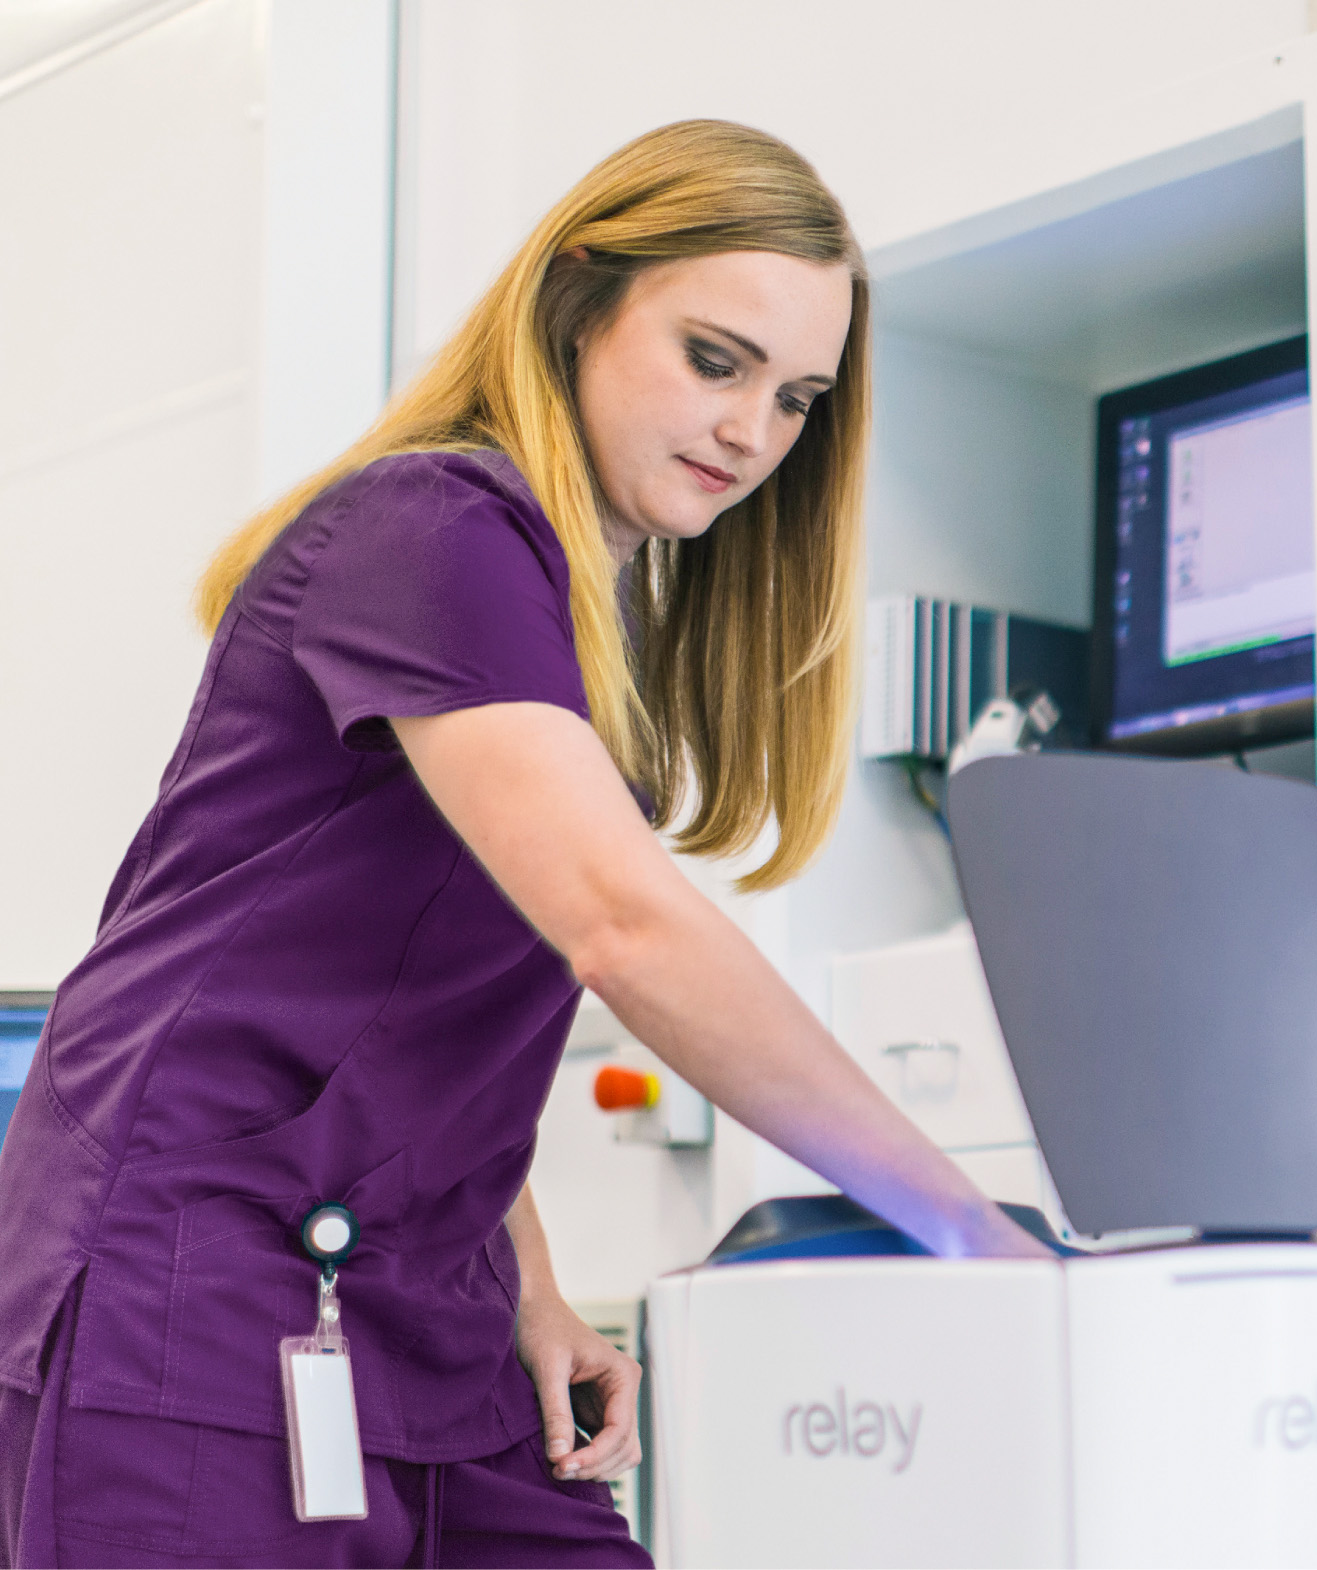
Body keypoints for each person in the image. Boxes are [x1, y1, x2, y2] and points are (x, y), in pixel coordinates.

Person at [0, 119, 1047, 1570]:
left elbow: (425, 1010)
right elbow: (624, 926)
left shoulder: (573, 609)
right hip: (194, 1298)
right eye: (714, 358)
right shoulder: (431, 530)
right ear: (576, 302)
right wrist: (978, 1233)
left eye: (798, 396)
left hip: (433, 1311)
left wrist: (530, 1284)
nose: (753, 434)